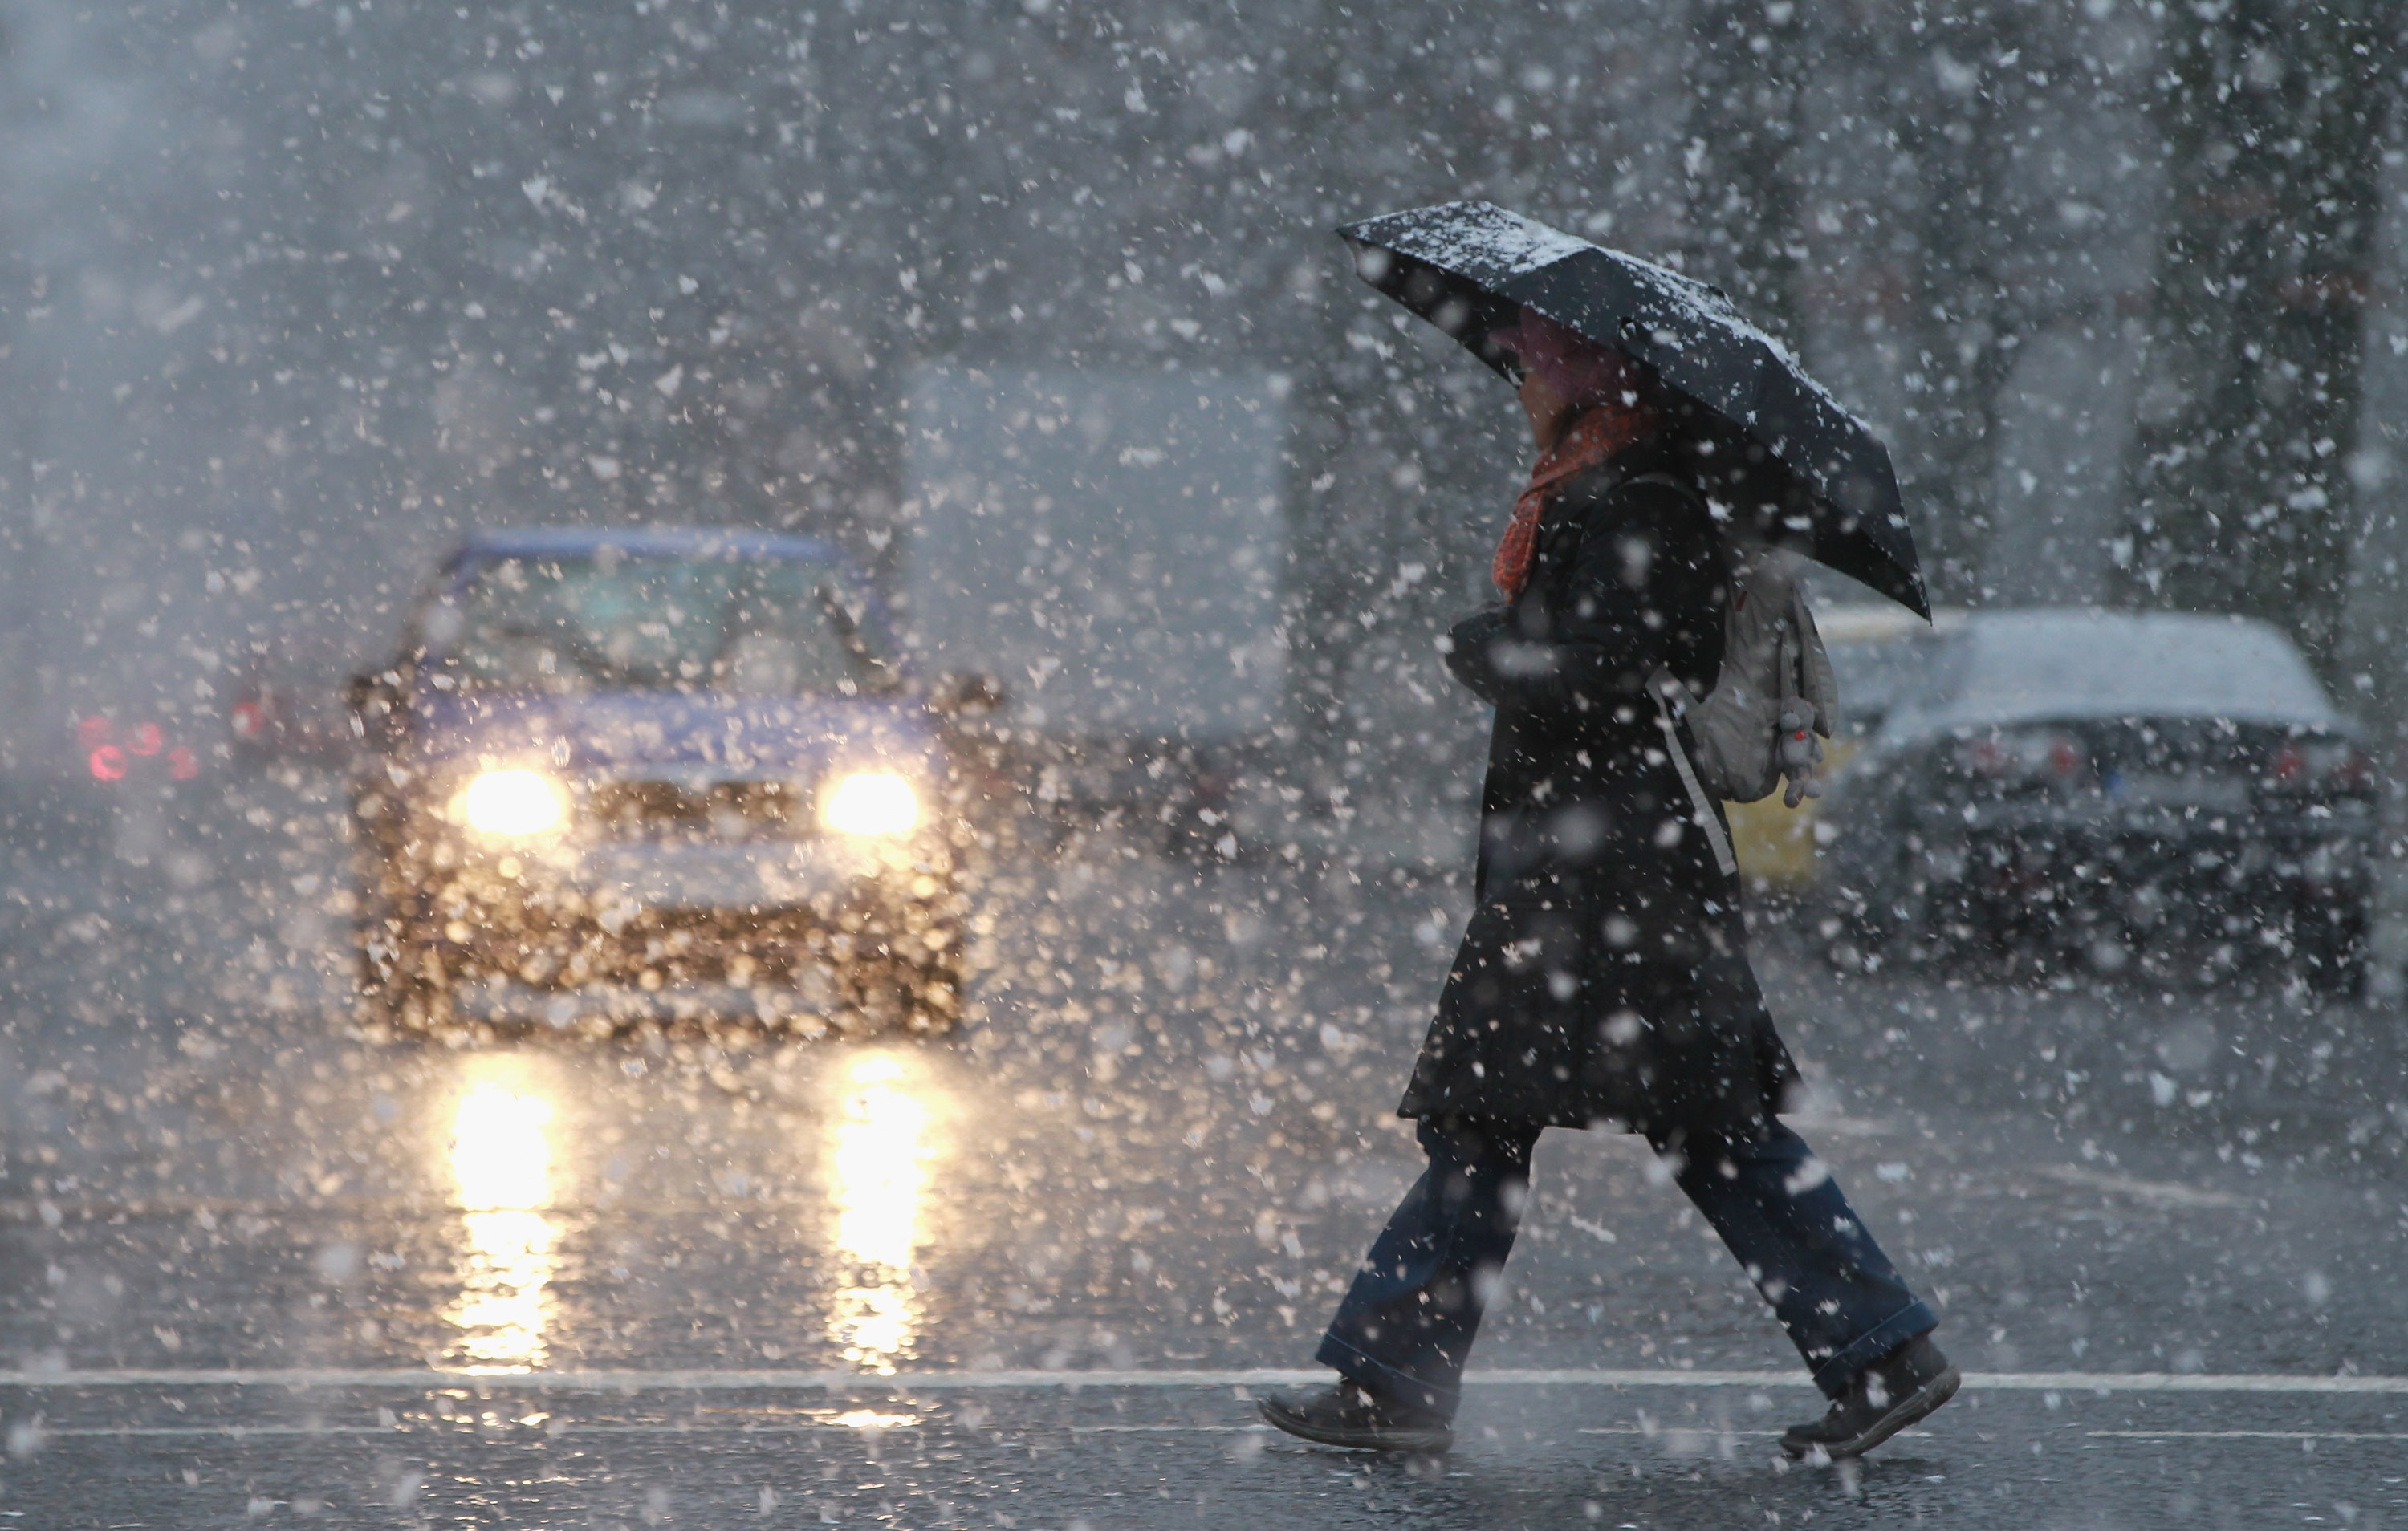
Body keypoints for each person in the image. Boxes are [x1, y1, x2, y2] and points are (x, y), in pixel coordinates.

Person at [1258, 307, 1957, 1462]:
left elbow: (1634, 671)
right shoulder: (1599, 485)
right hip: (1589, 870)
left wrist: (1498, 653)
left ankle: (1400, 1384)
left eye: (1537, 365)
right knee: (1573, 1122)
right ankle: (1878, 1350)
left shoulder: (1647, 499)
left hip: (1620, 875)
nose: (1522, 380)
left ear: (1590, 379)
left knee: (1609, 1121)